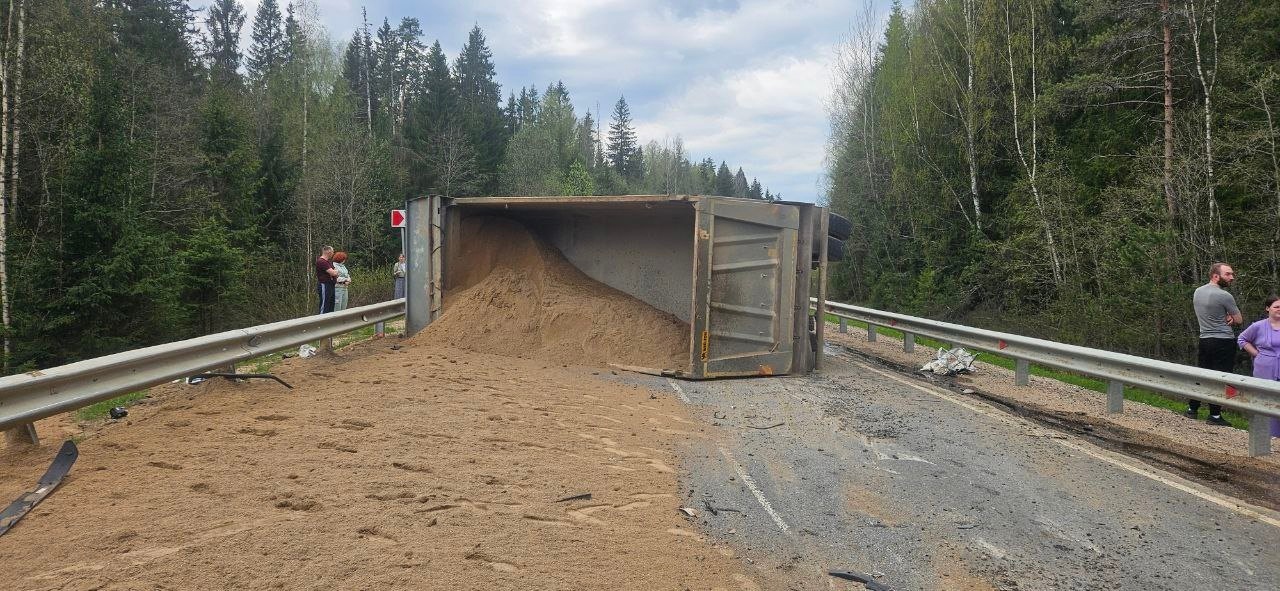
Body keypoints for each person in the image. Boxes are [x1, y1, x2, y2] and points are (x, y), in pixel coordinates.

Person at [1190, 262, 1243, 426]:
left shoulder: (1198, 292)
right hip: (1223, 341)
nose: (1232, 277)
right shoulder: (1224, 296)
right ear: (1215, 275)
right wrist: (1230, 316)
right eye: (1228, 274)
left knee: (1203, 374)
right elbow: (1239, 320)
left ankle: (1193, 408)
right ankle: (1214, 415)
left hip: (1205, 339)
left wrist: (1225, 314)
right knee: (1222, 377)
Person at [1237, 295, 1280, 437]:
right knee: (1265, 400)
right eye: (1276, 306)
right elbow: (1242, 339)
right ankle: (1266, 435)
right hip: (1265, 368)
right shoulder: (1258, 326)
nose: (1279, 310)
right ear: (1268, 308)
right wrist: (1256, 354)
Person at [315, 246, 338, 314]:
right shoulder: (321, 261)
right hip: (324, 285)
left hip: (331, 285)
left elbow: (336, 272)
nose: (333, 254)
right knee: (324, 305)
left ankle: (329, 323)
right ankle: (321, 322)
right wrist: (334, 272)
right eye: (333, 252)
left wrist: (335, 272)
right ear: (329, 252)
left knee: (331, 305)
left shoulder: (328, 262)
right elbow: (333, 272)